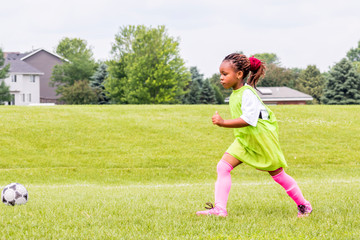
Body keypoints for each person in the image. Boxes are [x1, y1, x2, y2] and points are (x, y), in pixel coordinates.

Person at [196, 53, 312, 218]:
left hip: (260, 139)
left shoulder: (247, 94)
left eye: (225, 74)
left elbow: (248, 120)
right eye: (220, 74)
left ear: (239, 74)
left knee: (278, 175)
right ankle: (220, 209)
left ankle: (304, 206)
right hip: (245, 139)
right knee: (223, 167)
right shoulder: (236, 94)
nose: (221, 78)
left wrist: (223, 122)